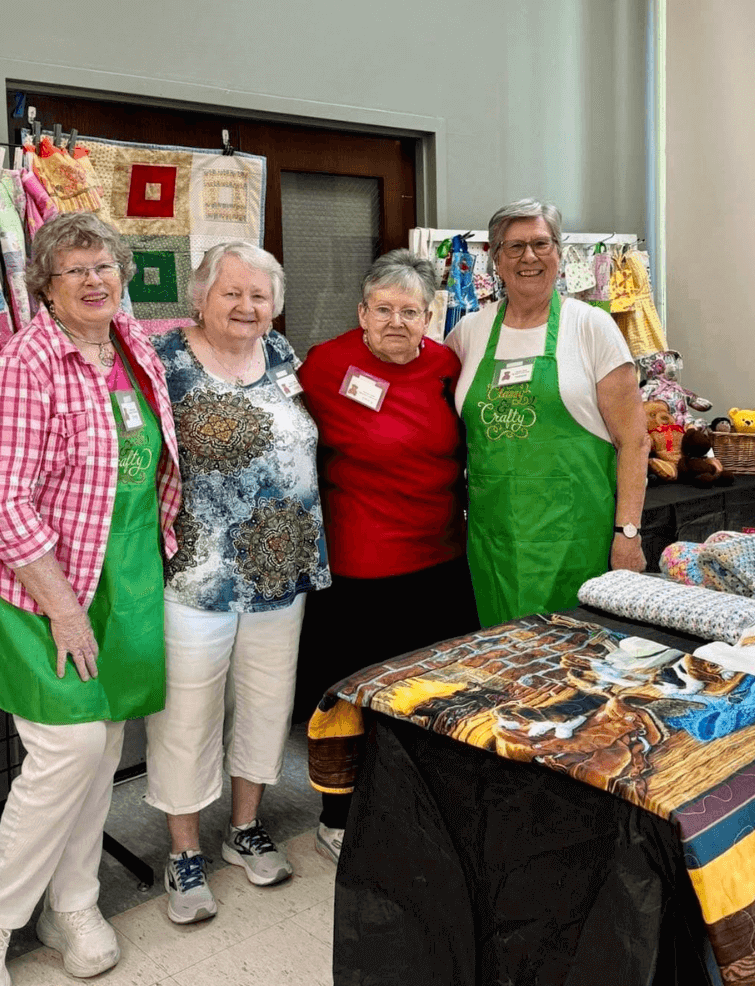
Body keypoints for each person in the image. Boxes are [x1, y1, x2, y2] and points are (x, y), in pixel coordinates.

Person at [0, 212, 181, 986]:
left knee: (107, 744)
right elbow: (2, 502)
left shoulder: (131, 344)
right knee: (70, 750)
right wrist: (62, 605)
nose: (95, 281)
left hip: (126, 571)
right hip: (37, 582)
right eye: (75, 270)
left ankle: (73, 903)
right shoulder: (26, 363)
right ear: (44, 287)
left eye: (105, 267)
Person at [144, 241, 331, 925]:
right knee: (187, 713)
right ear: (200, 296)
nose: (247, 306)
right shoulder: (164, 361)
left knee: (266, 701)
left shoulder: (281, 355)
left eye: (259, 295)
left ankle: (244, 828)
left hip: (281, 567)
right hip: (197, 571)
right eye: (232, 293)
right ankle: (185, 851)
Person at [296, 249, 479, 864]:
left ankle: (422, 803)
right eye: (384, 309)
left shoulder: (448, 365)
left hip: (440, 560)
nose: (397, 322)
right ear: (362, 313)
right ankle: (338, 815)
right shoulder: (325, 366)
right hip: (359, 566)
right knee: (351, 698)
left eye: (411, 311)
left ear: (431, 315)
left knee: (429, 693)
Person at [446, 199, 650, 627]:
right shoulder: (468, 333)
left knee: (574, 670)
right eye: (514, 246)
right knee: (501, 662)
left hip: (576, 541)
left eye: (541, 243)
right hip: (493, 545)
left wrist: (627, 535)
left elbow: (635, 440)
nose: (529, 257)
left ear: (558, 252)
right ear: (495, 259)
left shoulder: (591, 327)